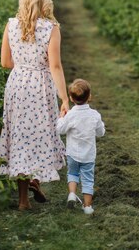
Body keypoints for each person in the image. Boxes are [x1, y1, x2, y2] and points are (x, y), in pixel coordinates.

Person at [0, 0, 69, 211]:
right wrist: (65, 99)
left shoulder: (11, 25)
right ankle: (36, 179)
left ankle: (23, 200)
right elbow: (55, 66)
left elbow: (5, 62)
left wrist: (23, 63)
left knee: (19, 136)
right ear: (45, 1)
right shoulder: (51, 28)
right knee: (38, 134)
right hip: (40, 85)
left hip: (17, 84)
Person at [56, 78, 105, 215]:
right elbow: (101, 133)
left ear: (71, 98)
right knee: (88, 179)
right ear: (89, 97)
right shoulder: (95, 115)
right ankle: (87, 206)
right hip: (88, 155)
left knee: (72, 173)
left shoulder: (70, 115)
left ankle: (72, 194)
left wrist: (61, 117)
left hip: (72, 153)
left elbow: (60, 130)